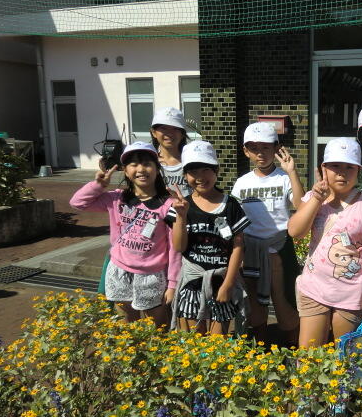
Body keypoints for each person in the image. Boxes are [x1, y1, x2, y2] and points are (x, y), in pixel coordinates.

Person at [69, 142, 180, 328]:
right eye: (133, 164)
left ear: (157, 169)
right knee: (126, 321)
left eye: (147, 164)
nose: (141, 169)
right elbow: (77, 203)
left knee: (157, 325)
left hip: (151, 274)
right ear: (126, 171)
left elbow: (174, 248)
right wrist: (98, 186)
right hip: (119, 270)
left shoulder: (168, 205)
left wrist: (172, 283)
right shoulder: (116, 198)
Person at [288, 137, 362, 348]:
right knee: (309, 356)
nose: (342, 173)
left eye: (349, 167)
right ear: (324, 168)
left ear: (358, 170)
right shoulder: (313, 198)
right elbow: (295, 231)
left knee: (345, 357)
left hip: (350, 294)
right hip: (313, 288)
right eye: (335, 166)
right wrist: (316, 199)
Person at [231, 122, 305, 345]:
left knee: (285, 300)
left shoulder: (284, 178)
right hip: (251, 251)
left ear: (276, 148)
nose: (260, 153)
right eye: (254, 148)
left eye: (266, 147)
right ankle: (261, 347)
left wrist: (292, 172)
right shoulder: (242, 183)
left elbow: (300, 205)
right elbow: (235, 218)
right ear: (246, 151)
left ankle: (293, 348)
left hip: (280, 248)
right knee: (255, 302)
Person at [167, 140, 250, 334]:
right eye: (193, 171)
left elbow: (238, 246)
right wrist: (181, 216)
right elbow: (179, 247)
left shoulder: (231, 205)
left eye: (206, 169)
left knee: (217, 342)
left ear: (216, 171)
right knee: (193, 340)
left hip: (221, 279)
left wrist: (229, 284)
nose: (200, 177)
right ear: (185, 175)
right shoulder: (181, 206)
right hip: (192, 281)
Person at [150, 107, 192, 197]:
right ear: (154, 132)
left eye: (175, 128)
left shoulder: (192, 159)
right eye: (163, 128)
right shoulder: (148, 162)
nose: (169, 133)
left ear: (182, 133)